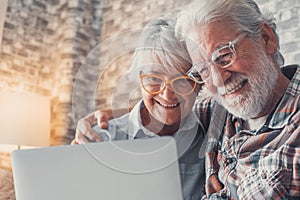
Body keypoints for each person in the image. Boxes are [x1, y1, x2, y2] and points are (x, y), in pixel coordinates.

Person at [74, 0, 300, 199]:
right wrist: (112, 116)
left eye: (224, 55)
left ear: (266, 39)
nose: (219, 79)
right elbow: (166, 108)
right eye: (203, 70)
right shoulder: (220, 109)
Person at [73, 17, 207, 200]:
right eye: (154, 79)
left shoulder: (209, 134)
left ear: (198, 83)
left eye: (182, 80)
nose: (167, 95)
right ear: (140, 79)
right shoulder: (102, 138)